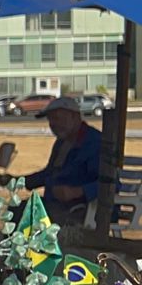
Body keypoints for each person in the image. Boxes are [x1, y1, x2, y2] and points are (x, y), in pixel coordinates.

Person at [23, 96, 102, 225]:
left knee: (27, 214)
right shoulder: (62, 143)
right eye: (50, 120)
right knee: (20, 210)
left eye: (58, 119)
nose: (53, 125)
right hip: (57, 205)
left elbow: (111, 184)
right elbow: (50, 174)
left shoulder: (95, 142)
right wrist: (18, 181)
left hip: (84, 209)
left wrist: (78, 192)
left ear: (75, 117)